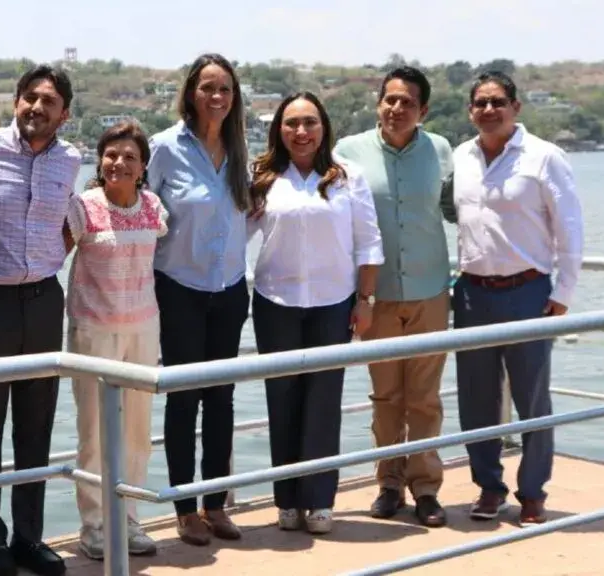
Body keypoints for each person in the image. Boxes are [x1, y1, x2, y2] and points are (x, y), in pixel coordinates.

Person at [0, 64, 81, 576]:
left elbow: (69, 224)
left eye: (48, 101)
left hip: (44, 300)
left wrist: (48, 261)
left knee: (36, 423)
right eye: (29, 97)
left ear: (64, 114)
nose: (37, 107)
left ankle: (31, 537)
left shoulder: (71, 159)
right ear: (16, 101)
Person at [450, 70, 583, 525]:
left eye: (498, 102)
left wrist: (563, 293)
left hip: (528, 291)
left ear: (516, 107)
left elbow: (571, 230)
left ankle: (532, 493)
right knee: (475, 399)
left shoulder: (545, 157)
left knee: (532, 398)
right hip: (471, 294)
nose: (489, 110)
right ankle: (489, 487)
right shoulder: (461, 156)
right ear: (471, 110)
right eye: (481, 103)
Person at [248, 92, 384, 535]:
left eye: (309, 122)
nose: (301, 132)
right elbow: (233, 233)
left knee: (324, 404)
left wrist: (365, 301)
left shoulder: (348, 176)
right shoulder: (263, 177)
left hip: (333, 303)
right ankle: (287, 500)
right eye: (291, 124)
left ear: (324, 126)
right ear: (278, 130)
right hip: (275, 305)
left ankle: (320, 500)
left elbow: (369, 243)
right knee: (282, 402)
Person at [332, 66, 455, 527]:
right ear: (378, 103)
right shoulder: (348, 153)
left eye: (407, 102)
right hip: (375, 295)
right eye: (390, 100)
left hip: (429, 291)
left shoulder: (441, 151)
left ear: (423, 110)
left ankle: (425, 488)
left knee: (424, 399)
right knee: (385, 397)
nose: (396, 109)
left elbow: (456, 209)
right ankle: (388, 483)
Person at [147, 53, 251, 546]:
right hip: (179, 289)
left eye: (225, 89)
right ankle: (185, 509)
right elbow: (138, 211)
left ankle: (216, 503)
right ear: (191, 92)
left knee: (222, 400)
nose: (217, 97)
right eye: (208, 88)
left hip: (230, 290)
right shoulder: (165, 148)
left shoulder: (240, 150)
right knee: (183, 400)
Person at [64, 121, 166, 560]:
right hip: (94, 329)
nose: (119, 163)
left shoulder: (154, 208)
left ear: (143, 167)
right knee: (93, 432)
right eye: (111, 155)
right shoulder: (82, 208)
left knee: (137, 431)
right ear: (100, 160)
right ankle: (94, 526)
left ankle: (130, 519)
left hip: (143, 329)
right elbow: (54, 255)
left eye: (129, 156)